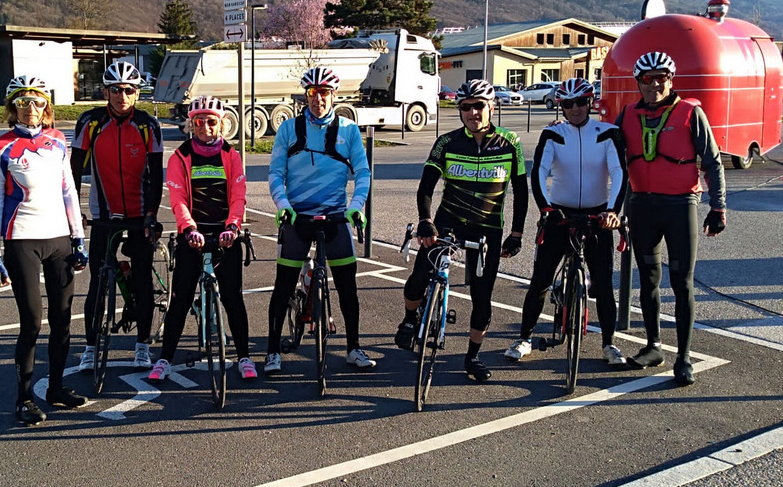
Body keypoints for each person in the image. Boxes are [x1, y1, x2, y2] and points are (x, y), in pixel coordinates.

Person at [394, 79, 528, 382]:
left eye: (479, 106)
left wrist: (517, 234)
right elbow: (426, 185)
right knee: (418, 278)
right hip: (448, 222)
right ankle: (410, 318)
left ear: (492, 107)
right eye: (466, 107)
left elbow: (521, 191)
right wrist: (426, 220)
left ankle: (472, 356)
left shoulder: (510, 143)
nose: (472, 112)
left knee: (482, 296)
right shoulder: (447, 142)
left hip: (487, 228)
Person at [0, 76, 91, 425]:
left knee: (62, 319)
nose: (31, 108)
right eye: (23, 102)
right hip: (22, 239)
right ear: (12, 107)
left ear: (47, 107)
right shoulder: (1, 146)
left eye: (38, 102)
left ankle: (56, 388)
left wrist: (78, 238)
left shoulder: (58, 140)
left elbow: (68, 191)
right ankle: (24, 399)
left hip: (59, 238)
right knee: (31, 322)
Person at [615, 52, 726, 385]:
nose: (654, 84)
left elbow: (712, 162)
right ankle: (653, 346)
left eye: (661, 77)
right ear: (638, 83)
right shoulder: (627, 115)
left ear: (671, 79)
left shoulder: (690, 113)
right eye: (647, 79)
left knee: (682, 282)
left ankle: (684, 357)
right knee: (648, 279)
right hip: (642, 206)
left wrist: (718, 207)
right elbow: (607, 156)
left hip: (680, 206)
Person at [505, 78, 629, 366]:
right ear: (561, 106)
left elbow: (618, 172)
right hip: (559, 214)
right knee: (540, 281)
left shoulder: (608, 132)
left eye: (581, 102)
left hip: (598, 215)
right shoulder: (553, 133)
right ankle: (524, 338)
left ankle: (609, 344)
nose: (575, 108)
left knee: (603, 285)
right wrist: (546, 208)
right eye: (568, 104)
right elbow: (539, 171)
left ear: (590, 102)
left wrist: (613, 211)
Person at [265, 66, 372, 373]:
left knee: (348, 287)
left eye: (324, 92)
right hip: (298, 216)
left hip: (336, 216)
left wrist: (356, 206)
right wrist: (283, 205)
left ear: (333, 95)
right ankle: (272, 351)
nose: (318, 99)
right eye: (313, 93)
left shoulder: (349, 130)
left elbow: (362, 172)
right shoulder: (289, 129)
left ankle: (354, 348)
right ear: (306, 96)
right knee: (283, 285)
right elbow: (276, 173)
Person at [148, 96, 256, 381]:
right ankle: (164, 359)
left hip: (225, 235)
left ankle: (244, 357)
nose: (205, 127)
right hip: (192, 235)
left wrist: (232, 227)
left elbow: (238, 197)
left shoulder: (231, 156)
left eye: (211, 122)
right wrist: (188, 228)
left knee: (233, 298)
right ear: (191, 124)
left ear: (221, 124)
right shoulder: (180, 156)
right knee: (180, 300)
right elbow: (178, 198)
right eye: (199, 122)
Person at [70, 61, 164, 370]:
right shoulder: (90, 122)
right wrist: (74, 213)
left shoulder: (148, 125)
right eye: (115, 90)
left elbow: (156, 175)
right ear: (105, 92)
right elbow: (73, 171)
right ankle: (90, 346)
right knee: (97, 283)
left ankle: (142, 345)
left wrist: (151, 214)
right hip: (104, 214)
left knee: (142, 281)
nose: (122, 96)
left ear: (137, 93)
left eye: (128, 90)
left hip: (139, 214)